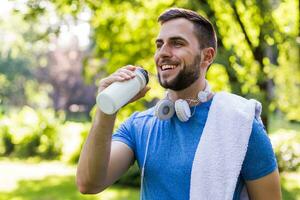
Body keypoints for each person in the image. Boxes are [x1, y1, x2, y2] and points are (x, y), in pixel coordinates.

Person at [76, 8, 281, 200]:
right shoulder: (139, 126)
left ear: (207, 56)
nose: (163, 52)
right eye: (159, 44)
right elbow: (89, 184)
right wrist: (106, 109)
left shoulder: (240, 124)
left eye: (177, 43)